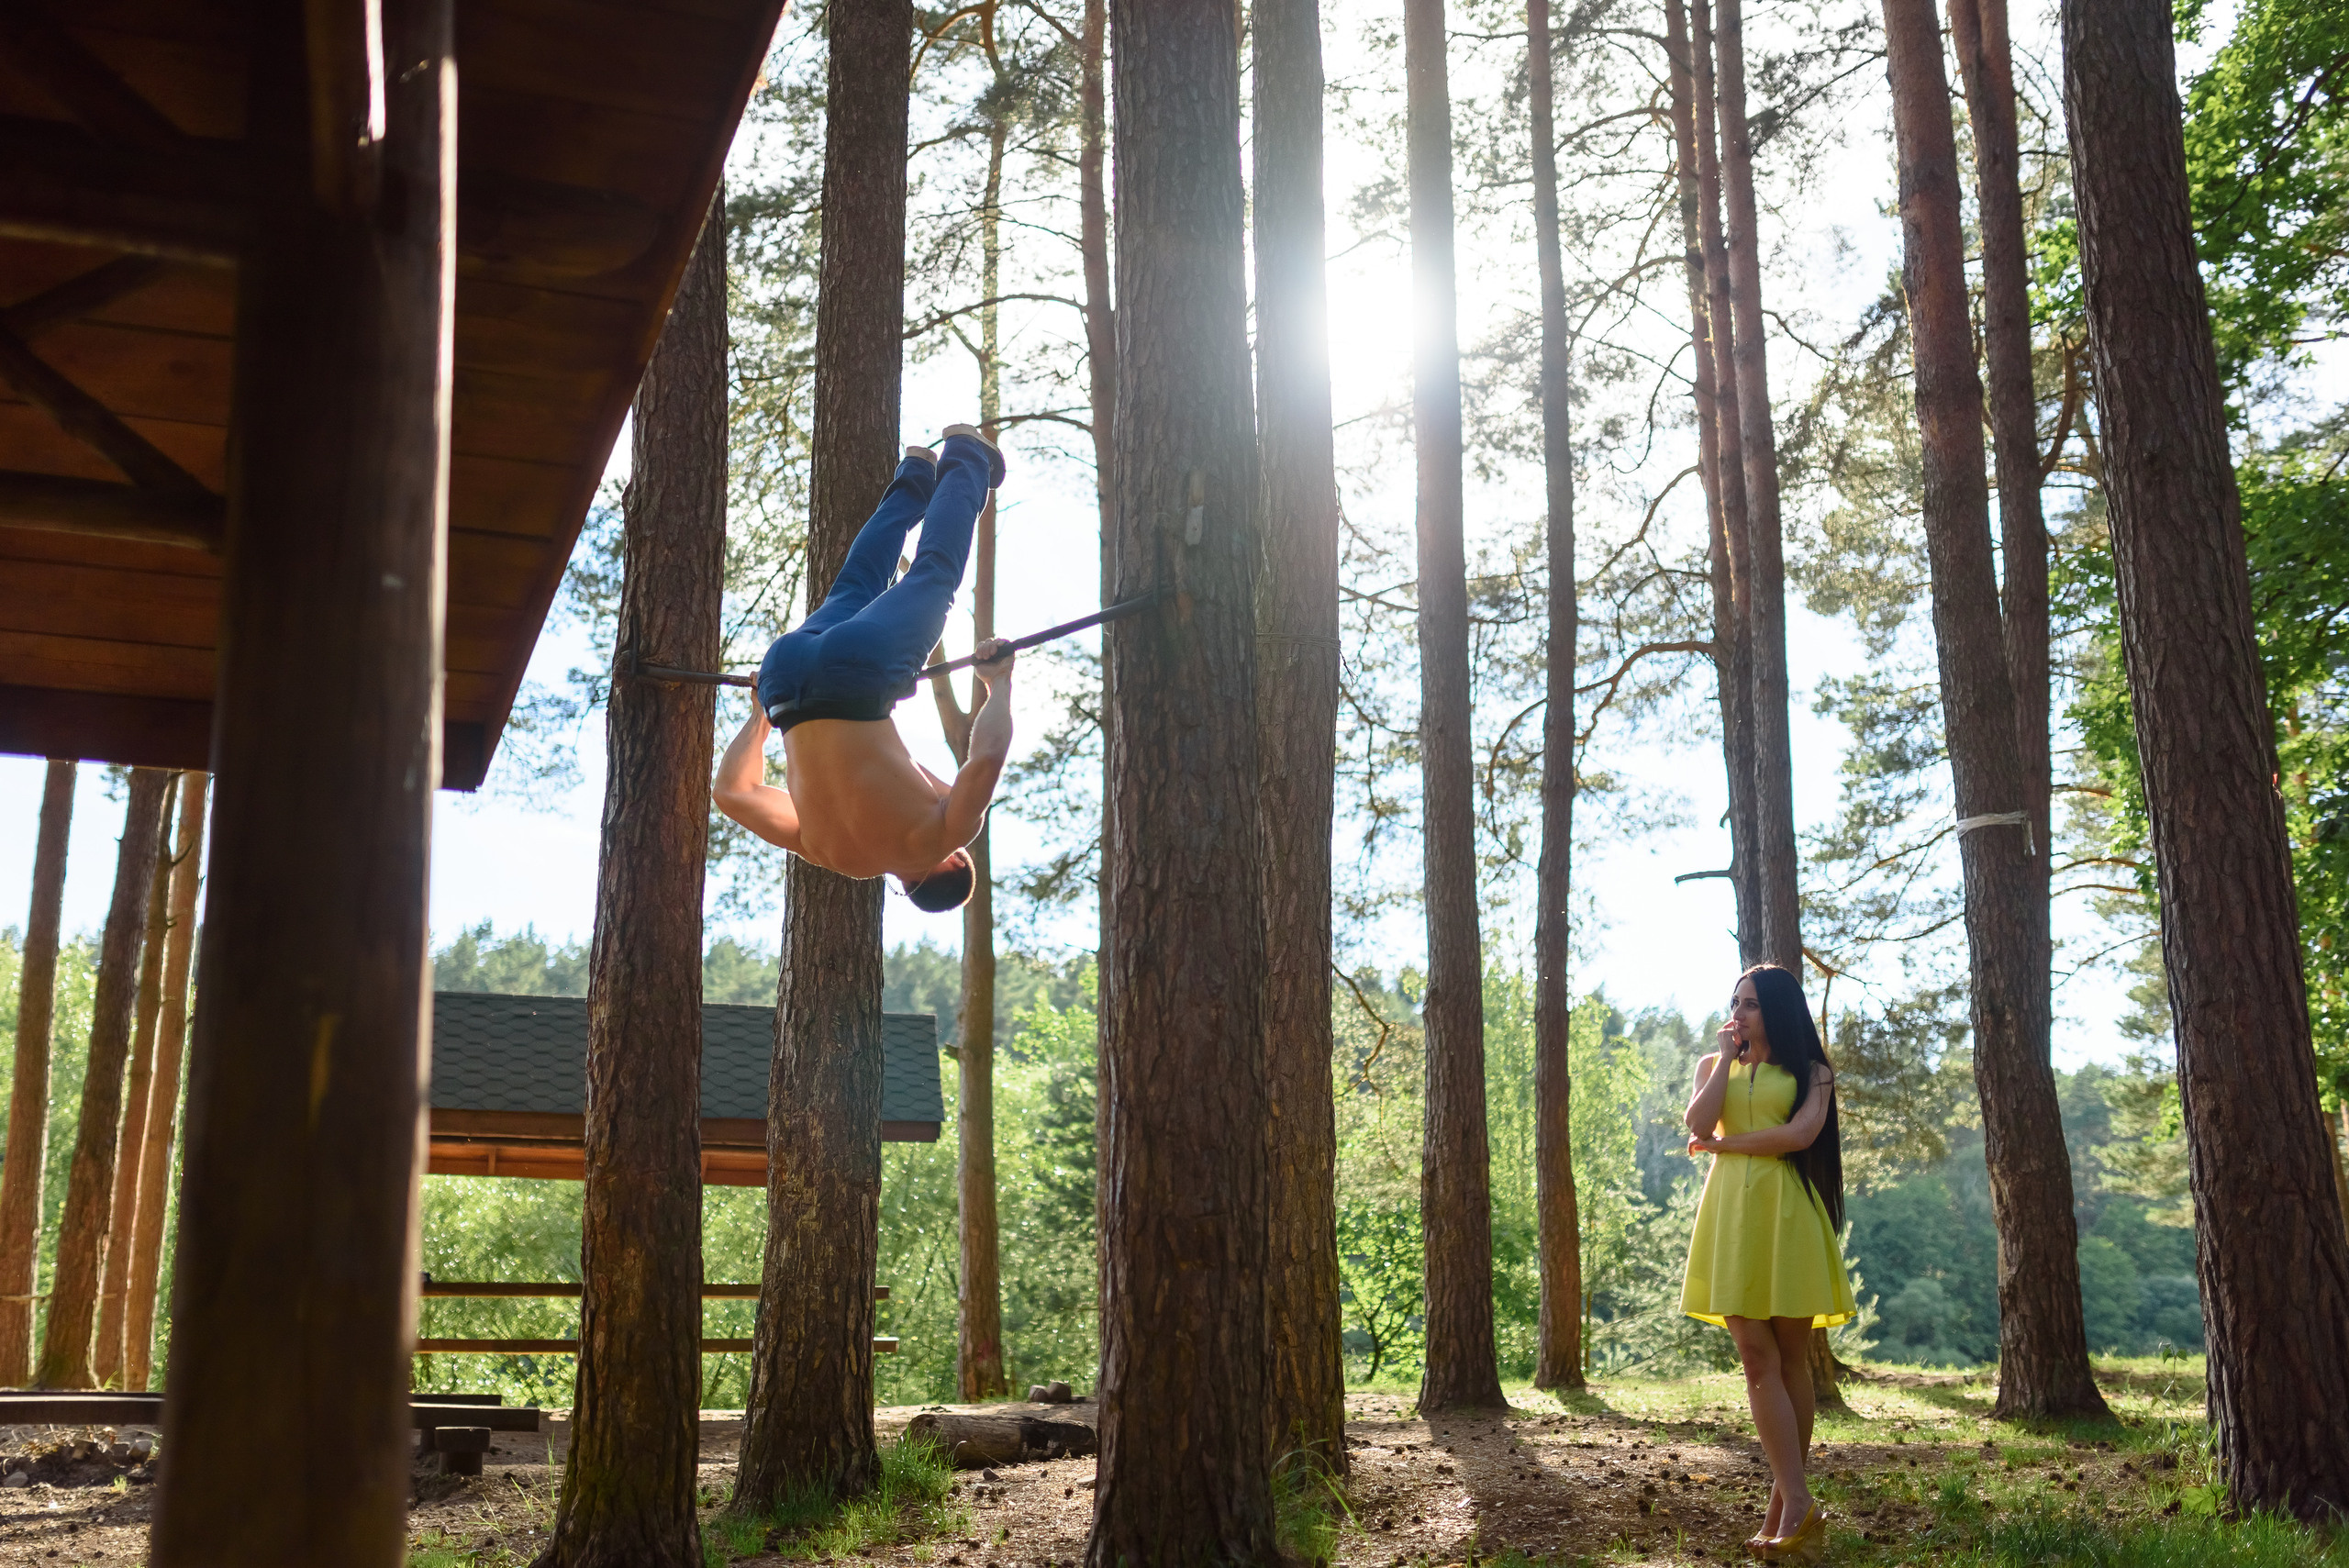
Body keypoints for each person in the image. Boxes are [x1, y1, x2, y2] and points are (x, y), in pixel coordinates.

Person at [713, 425, 1010, 912]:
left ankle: (966, 455)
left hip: (858, 673)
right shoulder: (831, 855)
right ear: (907, 888)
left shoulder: (944, 835)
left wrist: (999, 685)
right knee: (855, 584)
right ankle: (915, 474)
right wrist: (760, 716)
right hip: (783, 679)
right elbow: (733, 793)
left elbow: (987, 759)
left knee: (934, 576)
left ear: (957, 861)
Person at [1681, 962, 1854, 1562]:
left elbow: (1800, 1135)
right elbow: (1696, 1123)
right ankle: (1799, 1501)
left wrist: (1726, 1146)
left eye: (1751, 1003)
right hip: (1730, 1217)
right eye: (1736, 1002)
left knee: (1790, 1361)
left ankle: (1785, 1508)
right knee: (1757, 1357)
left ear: (1776, 1009)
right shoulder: (1714, 1064)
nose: (1740, 1013)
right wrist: (1726, 1061)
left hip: (1789, 1217)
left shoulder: (1812, 1071)